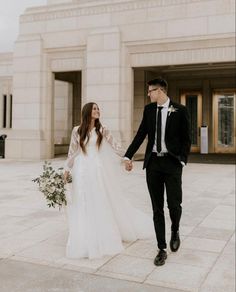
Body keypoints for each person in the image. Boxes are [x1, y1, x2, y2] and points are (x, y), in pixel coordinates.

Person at [64, 102, 154, 259]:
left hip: (97, 169)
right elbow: (73, 152)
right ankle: (85, 235)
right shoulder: (77, 130)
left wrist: (127, 158)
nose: (97, 111)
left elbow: (116, 146)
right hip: (82, 169)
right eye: (94, 109)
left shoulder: (102, 129)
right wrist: (66, 169)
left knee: (99, 200)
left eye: (98, 109)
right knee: (83, 200)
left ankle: (103, 233)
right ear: (87, 112)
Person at [124, 77, 191, 266]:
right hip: (153, 164)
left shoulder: (180, 110)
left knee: (174, 204)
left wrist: (182, 161)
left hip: (172, 164)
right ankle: (161, 248)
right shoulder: (149, 110)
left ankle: (175, 230)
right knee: (157, 208)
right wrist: (128, 156)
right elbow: (140, 135)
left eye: (150, 91)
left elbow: (187, 138)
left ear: (160, 91)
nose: (148, 94)